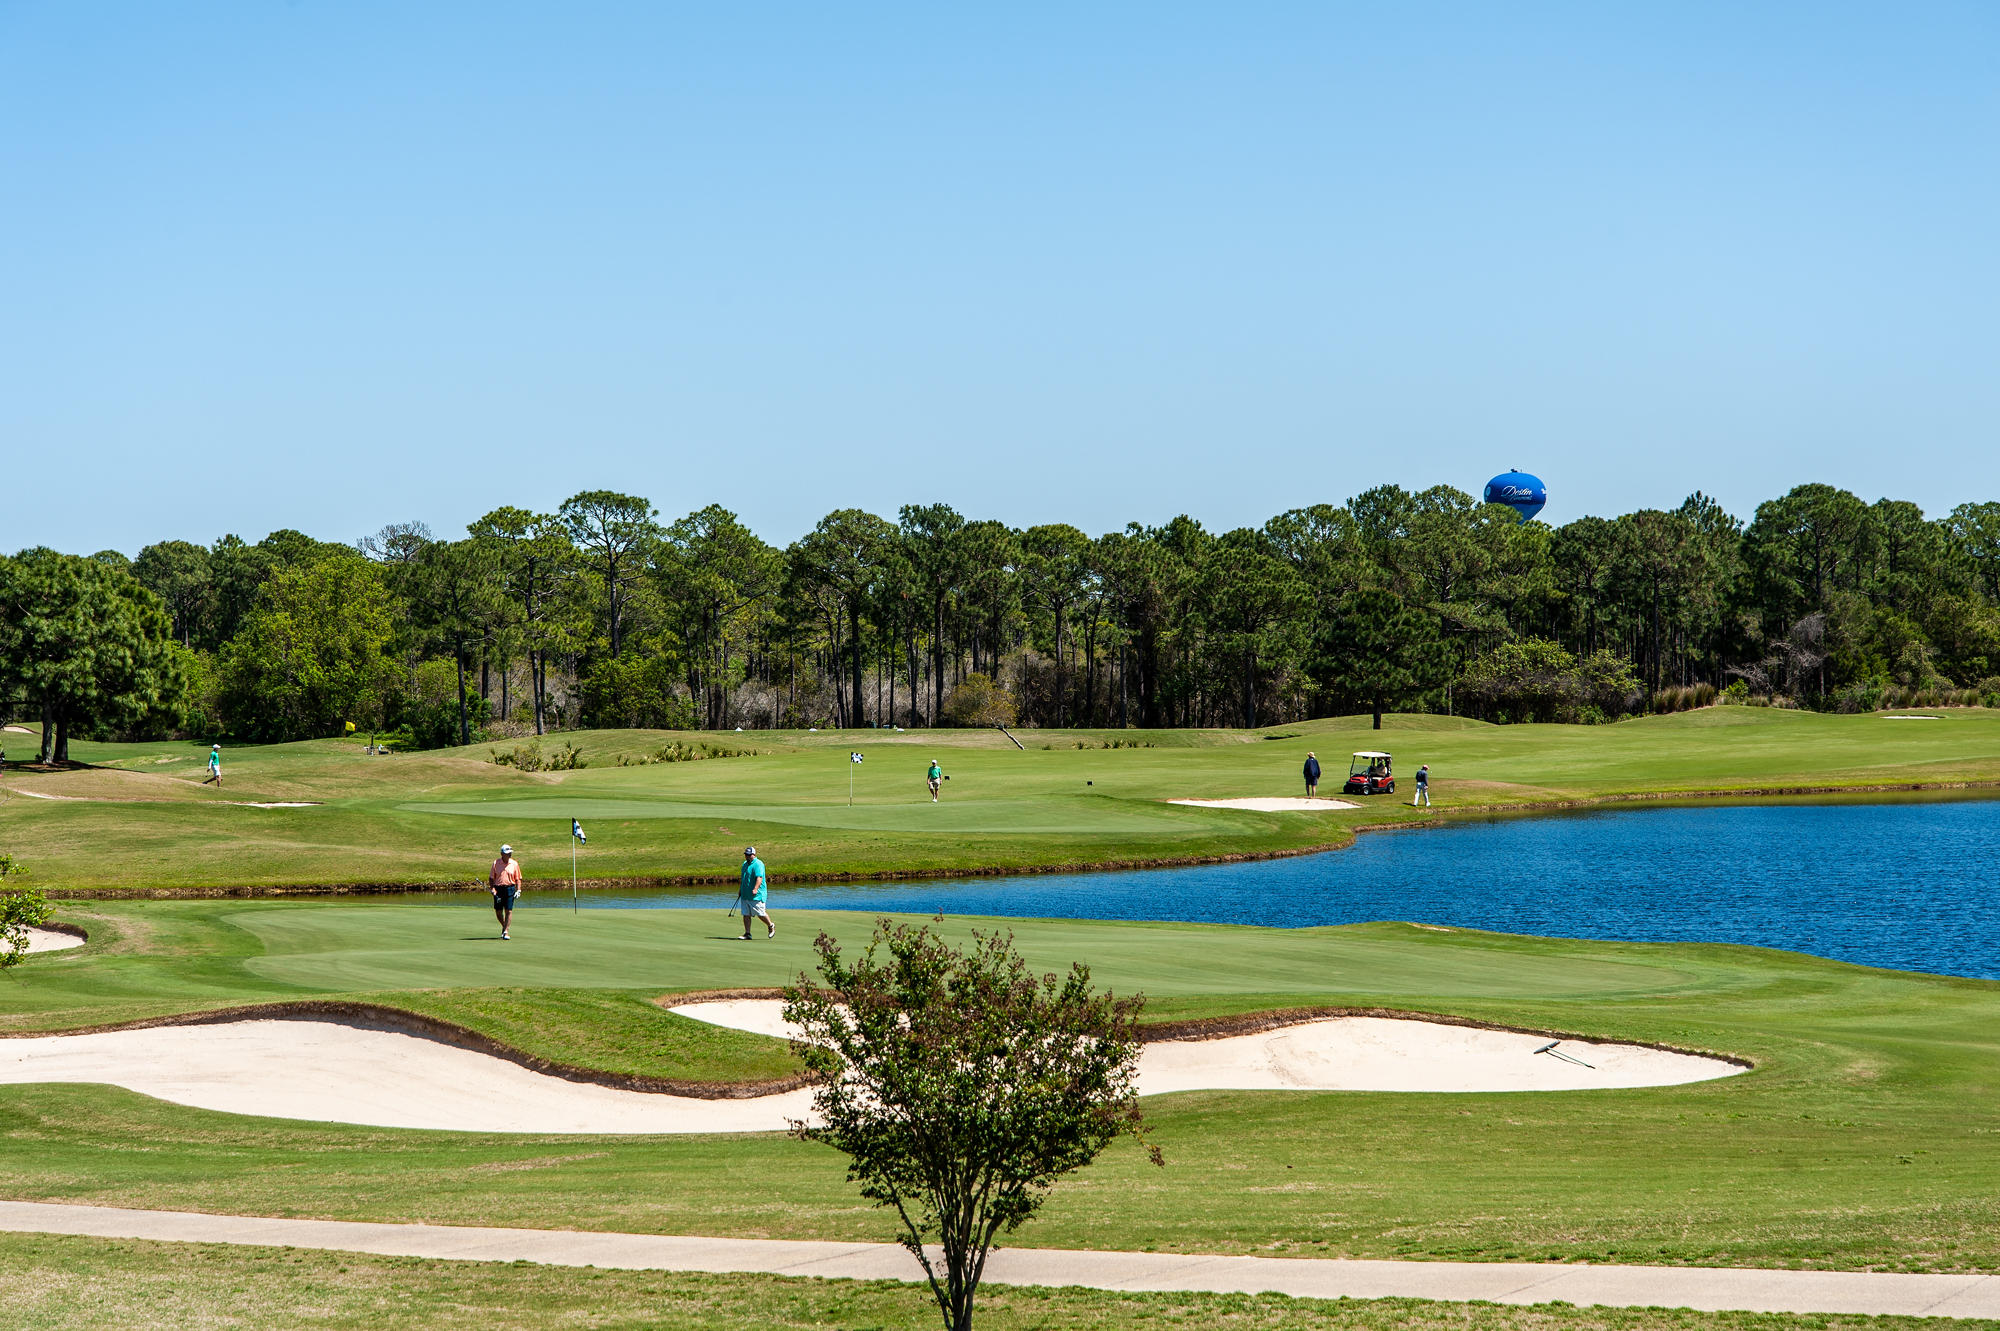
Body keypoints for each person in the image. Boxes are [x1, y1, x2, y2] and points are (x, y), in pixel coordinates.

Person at [737, 846, 774, 939]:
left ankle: (770, 925)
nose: (747, 856)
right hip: (745, 894)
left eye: (749, 855)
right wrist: (741, 889)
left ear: (754, 854)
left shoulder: (758, 864)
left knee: (760, 913)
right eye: (746, 854)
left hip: (756, 895)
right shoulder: (745, 864)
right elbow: (744, 878)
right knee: (746, 914)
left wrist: (755, 888)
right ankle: (747, 933)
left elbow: (759, 878)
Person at [489, 844, 523, 939]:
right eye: (507, 853)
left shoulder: (514, 864)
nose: (509, 854)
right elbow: (491, 878)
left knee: (509, 910)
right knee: (498, 912)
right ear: (502, 854)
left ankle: (506, 932)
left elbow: (518, 879)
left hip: (510, 889)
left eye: (510, 853)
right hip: (498, 889)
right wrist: (492, 888)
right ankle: (505, 926)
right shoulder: (496, 863)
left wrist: (518, 890)